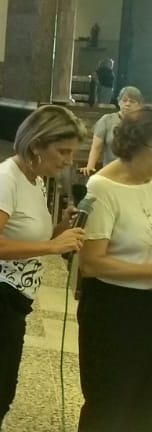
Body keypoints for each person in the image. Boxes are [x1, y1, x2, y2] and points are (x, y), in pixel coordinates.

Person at [0, 105, 86, 432]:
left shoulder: (35, 179)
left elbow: (27, 237)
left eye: (72, 152)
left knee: (1, 395)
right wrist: (51, 247)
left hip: (12, 299)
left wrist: (58, 229)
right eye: (63, 151)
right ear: (37, 144)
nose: (69, 160)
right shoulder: (5, 180)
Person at [77, 107, 152, 431]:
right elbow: (91, 264)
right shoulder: (102, 188)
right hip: (114, 310)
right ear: (140, 145)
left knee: (144, 402)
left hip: (147, 306)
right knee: (110, 402)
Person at [80, 86, 143, 175]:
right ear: (119, 102)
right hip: (110, 171)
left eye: (132, 101)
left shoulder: (144, 123)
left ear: (139, 105)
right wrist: (90, 166)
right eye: (124, 100)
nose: (127, 104)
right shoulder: (107, 120)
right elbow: (96, 147)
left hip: (137, 173)